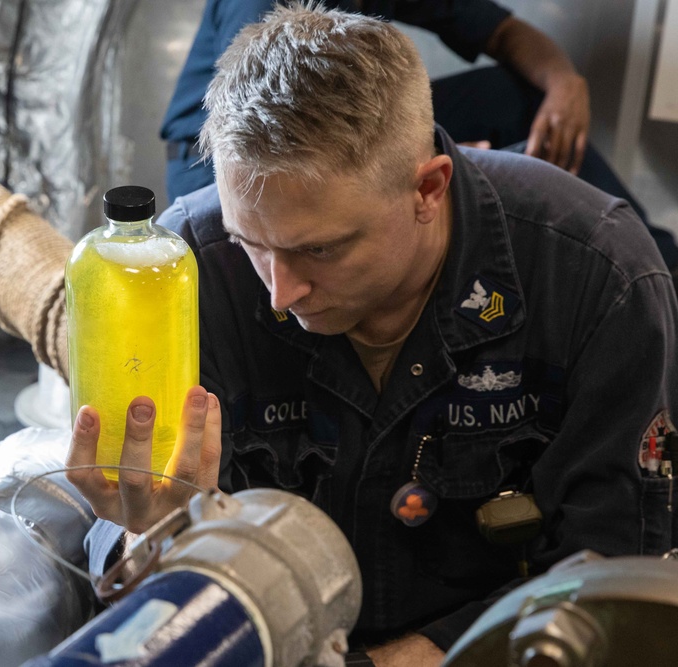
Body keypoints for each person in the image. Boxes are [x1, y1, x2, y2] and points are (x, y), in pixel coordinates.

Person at [66, 6, 677, 665]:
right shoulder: (188, 268)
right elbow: (131, 582)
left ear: (428, 189)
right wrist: (146, 531)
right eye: (253, 244)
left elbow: (607, 579)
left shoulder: (598, 278)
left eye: (319, 250)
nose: (279, 293)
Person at [161, 0, 678, 273]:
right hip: (230, 159)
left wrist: (565, 82)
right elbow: (273, 126)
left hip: (337, 128)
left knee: (514, 94)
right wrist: (415, 157)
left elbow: (502, 31)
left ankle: (658, 259)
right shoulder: (258, 7)